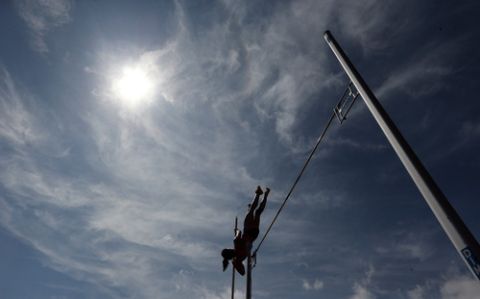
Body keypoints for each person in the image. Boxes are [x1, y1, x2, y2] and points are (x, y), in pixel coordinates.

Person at [221, 186, 270, 275]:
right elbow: (239, 232)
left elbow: (243, 273)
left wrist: (235, 264)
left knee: (258, 213)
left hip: (254, 234)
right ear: (229, 250)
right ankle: (258, 193)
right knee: (251, 211)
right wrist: (236, 231)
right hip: (248, 230)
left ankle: (266, 195)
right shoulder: (236, 242)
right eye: (228, 248)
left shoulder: (239, 259)